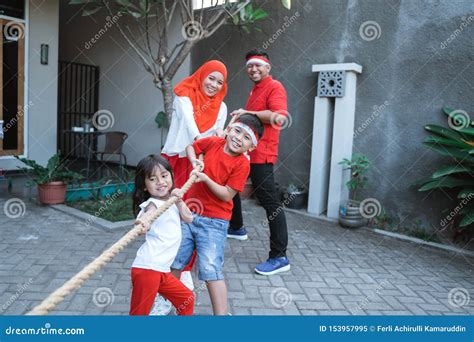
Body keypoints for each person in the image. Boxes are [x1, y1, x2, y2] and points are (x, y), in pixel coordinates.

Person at [171, 114, 264, 315]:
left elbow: (227, 194)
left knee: (210, 270)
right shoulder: (214, 142)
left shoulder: (242, 164)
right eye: (237, 131)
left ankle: (221, 316)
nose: (239, 138)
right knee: (175, 261)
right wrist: (195, 161)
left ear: (251, 147)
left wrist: (205, 179)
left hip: (214, 223)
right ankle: (169, 301)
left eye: (246, 137)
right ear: (229, 129)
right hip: (189, 214)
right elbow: (191, 147)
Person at [157, 60, 228, 314]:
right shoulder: (183, 95)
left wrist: (221, 136)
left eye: (220, 82)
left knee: (194, 217)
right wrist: (199, 147)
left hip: (200, 165)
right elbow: (191, 128)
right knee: (172, 215)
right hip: (179, 160)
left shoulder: (222, 106)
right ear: (202, 76)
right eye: (211, 78)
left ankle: (183, 272)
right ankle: (169, 275)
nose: (214, 85)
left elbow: (217, 135)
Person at [227, 49, 291, 276]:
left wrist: (248, 111)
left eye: (258, 65)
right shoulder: (255, 90)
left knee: (270, 203)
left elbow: (279, 117)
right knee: (230, 182)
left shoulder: (275, 87)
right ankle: (236, 227)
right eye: (249, 66)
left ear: (268, 67)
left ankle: (279, 256)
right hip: (248, 153)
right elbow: (254, 119)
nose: (253, 69)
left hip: (262, 154)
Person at [129, 155, 194, 316]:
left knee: (187, 299)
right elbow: (148, 216)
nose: (160, 182)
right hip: (148, 269)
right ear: (144, 186)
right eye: (152, 179)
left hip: (162, 270)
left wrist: (178, 200)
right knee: (139, 315)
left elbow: (189, 218)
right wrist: (144, 222)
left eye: (164, 176)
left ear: (171, 176)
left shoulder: (171, 202)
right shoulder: (153, 204)